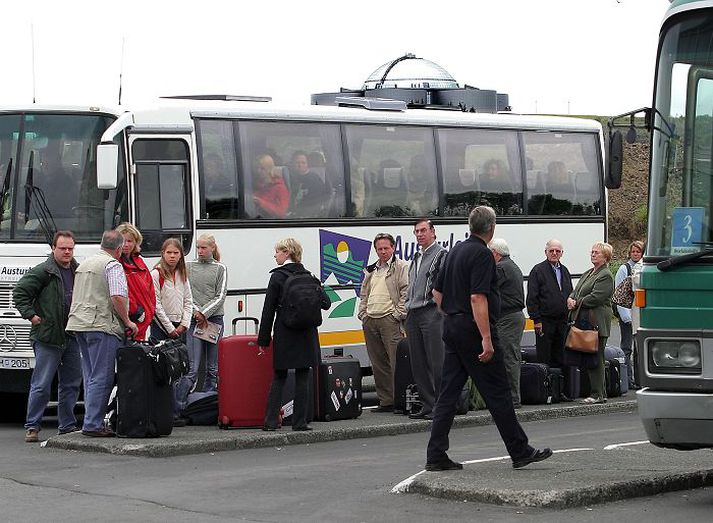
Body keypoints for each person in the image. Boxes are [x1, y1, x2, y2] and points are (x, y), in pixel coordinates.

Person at [425, 206, 552, 471]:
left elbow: (436, 294)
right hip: (473, 328)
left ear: (471, 226)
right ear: (492, 228)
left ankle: (436, 454)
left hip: (453, 326)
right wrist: (486, 338)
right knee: (498, 392)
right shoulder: (482, 255)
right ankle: (519, 451)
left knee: (448, 394)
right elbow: (477, 297)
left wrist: (452, 314)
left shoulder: (455, 250)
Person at [66, 230, 138, 437]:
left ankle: (90, 420)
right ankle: (93, 424)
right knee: (102, 377)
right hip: (101, 325)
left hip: (79, 324)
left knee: (89, 376)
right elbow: (117, 296)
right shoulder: (112, 265)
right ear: (118, 249)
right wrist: (127, 321)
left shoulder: (84, 264)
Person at [13, 231, 82, 442]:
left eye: (70, 248)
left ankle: (67, 426)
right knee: (41, 384)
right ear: (54, 249)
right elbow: (19, 292)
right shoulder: (44, 271)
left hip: (71, 336)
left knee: (71, 384)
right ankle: (32, 426)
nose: (67, 252)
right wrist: (32, 316)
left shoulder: (78, 270)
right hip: (47, 337)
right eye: (63, 248)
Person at [259, 238, 330, 431]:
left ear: (287, 252)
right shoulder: (309, 276)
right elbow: (326, 303)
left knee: (279, 375)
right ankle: (300, 422)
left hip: (285, 331)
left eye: (277, 251)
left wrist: (263, 340)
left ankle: (271, 421)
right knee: (303, 376)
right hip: (307, 333)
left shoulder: (277, 277)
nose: (275, 255)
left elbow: (269, 310)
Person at [175, 234, 227, 417]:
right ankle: (178, 406)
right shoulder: (188, 266)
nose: (200, 251)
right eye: (198, 247)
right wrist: (197, 313)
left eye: (204, 248)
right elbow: (186, 292)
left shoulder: (220, 268)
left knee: (213, 367)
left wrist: (204, 313)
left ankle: (207, 405)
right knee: (193, 367)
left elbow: (220, 296)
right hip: (194, 321)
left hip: (214, 320)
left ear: (212, 248)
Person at [358, 233, 409, 412]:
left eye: (386, 248)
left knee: (396, 362)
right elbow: (364, 294)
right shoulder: (371, 269)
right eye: (379, 249)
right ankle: (386, 401)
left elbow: (406, 292)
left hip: (389, 319)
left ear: (393, 248)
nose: (383, 252)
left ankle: (400, 401)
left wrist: (397, 315)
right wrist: (363, 313)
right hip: (371, 319)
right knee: (378, 363)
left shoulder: (401, 267)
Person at [405, 219, 447, 420]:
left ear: (433, 232)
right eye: (416, 231)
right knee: (418, 363)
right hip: (413, 313)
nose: (419, 234)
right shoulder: (416, 257)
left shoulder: (441, 255)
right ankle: (427, 404)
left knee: (436, 361)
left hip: (431, 312)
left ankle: (441, 405)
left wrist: (439, 309)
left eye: (423, 230)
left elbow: (442, 284)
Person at [567, 242, 615, 404]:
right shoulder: (589, 273)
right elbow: (577, 289)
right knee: (590, 357)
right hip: (585, 320)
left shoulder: (606, 275)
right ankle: (600, 392)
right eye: (592, 252)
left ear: (605, 257)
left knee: (596, 358)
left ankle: (597, 394)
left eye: (597, 253)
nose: (593, 254)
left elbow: (597, 297)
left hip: (597, 322)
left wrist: (577, 302)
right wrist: (571, 298)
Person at [489, 238, 526, 409]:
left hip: (508, 318)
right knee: (509, 355)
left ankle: (512, 398)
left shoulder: (500, 268)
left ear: (495, 253)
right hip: (513, 317)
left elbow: (487, 288)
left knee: (508, 357)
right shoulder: (511, 265)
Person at [526, 239, 573, 368]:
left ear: (562, 253)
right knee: (544, 358)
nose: (554, 253)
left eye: (557, 251)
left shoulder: (565, 271)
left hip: (562, 322)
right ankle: (545, 386)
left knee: (561, 357)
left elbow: (570, 293)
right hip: (545, 322)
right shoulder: (538, 271)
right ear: (545, 252)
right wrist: (536, 320)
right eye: (551, 250)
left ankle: (560, 386)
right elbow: (532, 297)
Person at [115, 223, 156, 340]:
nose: (126, 245)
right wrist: (136, 311)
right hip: (129, 321)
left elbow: (151, 290)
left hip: (143, 321)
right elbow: (119, 292)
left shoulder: (140, 262)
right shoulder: (115, 264)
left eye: (130, 241)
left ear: (135, 243)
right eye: (123, 241)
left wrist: (150, 311)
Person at [151, 238, 193, 342]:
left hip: (180, 326)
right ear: (163, 253)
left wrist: (184, 324)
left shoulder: (182, 274)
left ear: (180, 255)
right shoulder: (156, 274)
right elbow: (155, 304)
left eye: (176, 253)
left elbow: (188, 301)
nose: (172, 256)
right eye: (169, 252)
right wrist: (170, 329)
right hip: (160, 327)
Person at [615, 240, 644, 390]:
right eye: (633, 251)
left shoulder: (644, 268)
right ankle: (627, 379)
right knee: (627, 348)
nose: (635, 254)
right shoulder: (624, 269)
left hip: (639, 316)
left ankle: (640, 379)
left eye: (638, 252)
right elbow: (620, 295)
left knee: (640, 349)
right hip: (626, 315)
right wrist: (626, 317)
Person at [290, 151, 327, 217]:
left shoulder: (315, 180)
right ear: (292, 164)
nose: (300, 165)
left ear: (308, 164)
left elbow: (316, 202)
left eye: (303, 163)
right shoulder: (289, 178)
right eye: (297, 163)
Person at [253, 153, 289, 218]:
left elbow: (281, 212)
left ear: (269, 169)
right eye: (257, 168)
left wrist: (261, 202)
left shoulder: (280, 188)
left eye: (262, 168)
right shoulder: (256, 185)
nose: (258, 171)